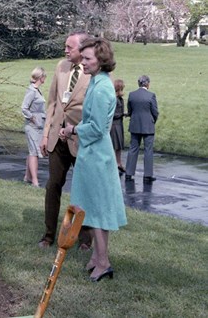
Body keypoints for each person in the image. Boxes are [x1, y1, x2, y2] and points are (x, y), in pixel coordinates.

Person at [60, 37, 127, 282]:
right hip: (94, 154)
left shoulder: (101, 88)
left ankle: (103, 262)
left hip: (97, 156)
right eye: (84, 57)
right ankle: (97, 258)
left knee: (97, 212)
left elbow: (98, 128)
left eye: (88, 58)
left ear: (101, 60)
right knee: (92, 209)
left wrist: (73, 130)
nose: (84, 62)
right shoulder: (98, 82)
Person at [38, 31, 92, 249]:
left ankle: (85, 240)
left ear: (82, 48)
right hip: (56, 139)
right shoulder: (61, 67)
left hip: (79, 139)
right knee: (53, 186)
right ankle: (49, 235)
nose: (66, 50)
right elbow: (51, 102)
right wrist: (45, 134)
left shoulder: (92, 72)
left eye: (70, 47)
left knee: (83, 190)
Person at [124, 75, 159, 182]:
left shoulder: (132, 95)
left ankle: (129, 173)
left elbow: (130, 110)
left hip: (135, 124)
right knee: (148, 150)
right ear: (147, 83)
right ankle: (147, 175)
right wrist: (152, 121)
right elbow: (155, 112)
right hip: (148, 126)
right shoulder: (151, 96)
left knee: (133, 148)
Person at [21, 67, 47, 186]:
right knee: (34, 152)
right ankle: (35, 181)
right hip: (33, 126)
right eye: (44, 76)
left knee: (32, 150)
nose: (45, 78)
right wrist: (32, 117)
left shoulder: (36, 90)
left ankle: (27, 176)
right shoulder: (32, 91)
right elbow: (24, 108)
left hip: (39, 125)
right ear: (40, 77)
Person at [110, 79, 126, 174]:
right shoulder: (114, 99)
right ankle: (113, 164)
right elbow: (113, 114)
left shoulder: (119, 98)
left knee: (119, 145)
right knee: (114, 145)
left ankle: (119, 163)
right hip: (114, 124)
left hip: (119, 124)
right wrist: (122, 114)